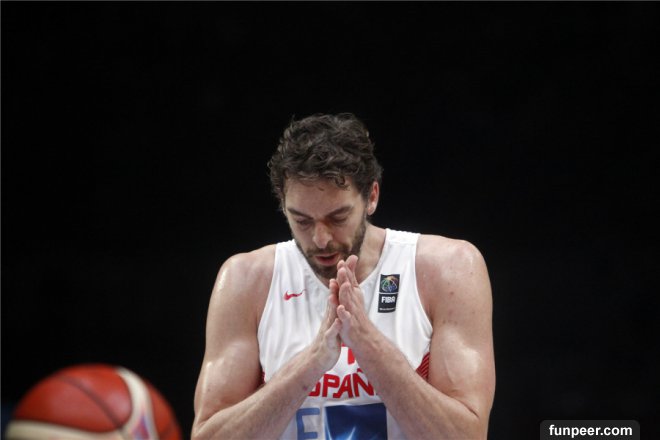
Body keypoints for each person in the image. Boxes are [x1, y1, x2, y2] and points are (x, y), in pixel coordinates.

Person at [192, 113, 495, 439]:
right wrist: (311, 363)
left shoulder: (448, 268)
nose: (320, 239)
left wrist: (369, 347)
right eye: (302, 221)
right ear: (282, 204)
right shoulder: (245, 280)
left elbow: (467, 435)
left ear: (372, 196)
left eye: (337, 217)